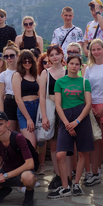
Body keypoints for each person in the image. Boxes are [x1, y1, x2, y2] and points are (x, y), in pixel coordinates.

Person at [47, 54, 93, 198]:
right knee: (60, 154)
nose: (74, 66)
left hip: (81, 118)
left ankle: (77, 183)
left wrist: (77, 121)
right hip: (65, 118)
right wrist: (67, 124)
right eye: (72, 63)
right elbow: (58, 105)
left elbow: (88, 104)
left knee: (82, 153)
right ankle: (65, 186)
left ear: (80, 66)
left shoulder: (84, 82)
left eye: (77, 64)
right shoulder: (60, 82)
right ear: (67, 64)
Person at [38, 45, 66, 188]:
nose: (55, 57)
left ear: (62, 55)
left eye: (57, 54)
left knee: (68, 144)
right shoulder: (45, 73)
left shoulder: (68, 71)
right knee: (53, 145)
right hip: (51, 110)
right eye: (51, 55)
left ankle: (68, 174)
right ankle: (58, 174)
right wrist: (44, 116)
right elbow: (42, 96)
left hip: (67, 110)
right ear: (48, 57)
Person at [84, 39, 103, 187]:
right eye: (93, 50)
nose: (96, 52)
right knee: (95, 141)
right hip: (91, 106)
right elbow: (86, 88)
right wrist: (90, 107)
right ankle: (95, 171)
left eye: (99, 49)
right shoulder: (89, 68)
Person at [12, 50, 40, 165]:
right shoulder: (17, 75)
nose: (27, 63)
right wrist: (28, 118)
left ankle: (36, 167)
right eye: (25, 61)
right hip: (25, 109)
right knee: (30, 144)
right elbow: (18, 99)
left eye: (29, 61)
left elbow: (41, 95)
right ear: (21, 62)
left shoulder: (35, 76)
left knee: (39, 142)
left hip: (37, 107)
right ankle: (29, 169)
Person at [0, 41, 20, 132]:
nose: (9, 58)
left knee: (24, 132)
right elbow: (0, 97)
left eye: (12, 56)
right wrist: (1, 114)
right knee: (11, 133)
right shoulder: (3, 74)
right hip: (9, 102)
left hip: (23, 102)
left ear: (17, 56)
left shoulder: (23, 72)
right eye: (6, 56)